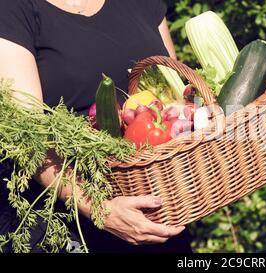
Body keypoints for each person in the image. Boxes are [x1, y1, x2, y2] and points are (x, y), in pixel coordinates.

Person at [0, 0, 192, 253]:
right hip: (65, 225)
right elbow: (28, 134)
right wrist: (101, 209)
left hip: (155, 210)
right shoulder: (12, 9)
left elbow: (172, 94)